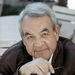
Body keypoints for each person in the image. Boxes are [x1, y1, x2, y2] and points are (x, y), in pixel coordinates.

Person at [0, 2, 75, 75]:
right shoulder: (12, 56)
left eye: (44, 34)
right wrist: (20, 73)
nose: (38, 44)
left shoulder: (72, 56)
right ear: (23, 40)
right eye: (30, 37)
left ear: (56, 33)